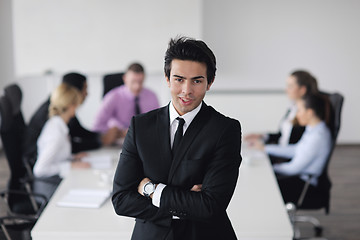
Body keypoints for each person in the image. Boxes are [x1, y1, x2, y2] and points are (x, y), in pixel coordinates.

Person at [112, 37, 242, 240]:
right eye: (179, 79)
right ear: (167, 78)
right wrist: (186, 205)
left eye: (197, 81)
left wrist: (151, 190)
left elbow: (211, 206)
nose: (187, 91)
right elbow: (121, 200)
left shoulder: (225, 130)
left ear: (210, 82)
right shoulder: (140, 126)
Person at [252, 93, 332, 204]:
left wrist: (270, 168)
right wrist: (265, 148)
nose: (297, 115)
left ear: (309, 113)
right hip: (298, 178)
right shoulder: (313, 129)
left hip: (304, 186)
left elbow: (294, 168)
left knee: (262, 184)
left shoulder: (318, 137)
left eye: (299, 110)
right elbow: (295, 150)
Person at [23, 72, 116, 166]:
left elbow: (79, 132)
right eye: (85, 89)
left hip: (54, 162)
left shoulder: (62, 110)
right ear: (73, 92)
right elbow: (68, 145)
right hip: (37, 162)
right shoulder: (54, 117)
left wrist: (101, 136)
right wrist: (99, 142)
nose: (87, 94)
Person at [245, 70, 318, 147]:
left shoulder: (307, 114)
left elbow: (297, 148)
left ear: (302, 90)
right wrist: (262, 136)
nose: (286, 90)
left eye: (290, 86)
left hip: (285, 155)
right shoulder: (292, 108)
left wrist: (266, 148)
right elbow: (282, 135)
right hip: (279, 150)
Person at [92, 63, 159, 143]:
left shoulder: (152, 96)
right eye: (133, 82)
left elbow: (158, 124)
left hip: (144, 141)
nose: (137, 86)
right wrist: (117, 132)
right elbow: (96, 126)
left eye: (140, 82)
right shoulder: (113, 97)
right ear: (125, 79)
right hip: (119, 143)